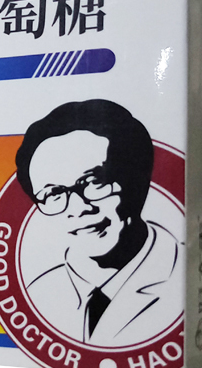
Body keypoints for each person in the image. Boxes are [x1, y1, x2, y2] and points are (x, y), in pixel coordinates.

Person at [15, 99, 183, 347]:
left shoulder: (184, 279)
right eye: (53, 194)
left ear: (136, 178)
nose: (79, 209)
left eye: (95, 182)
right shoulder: (36, 293)